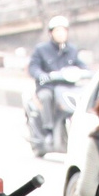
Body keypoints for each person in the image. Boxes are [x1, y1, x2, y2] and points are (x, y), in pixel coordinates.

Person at [28, 15, 84, 154]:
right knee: (46, 97)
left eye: (63, 30)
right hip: (48, 87)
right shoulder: (41, 49)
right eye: (57, 31)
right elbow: (33, 67)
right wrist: (41, 75)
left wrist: (88, 72)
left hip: (67, 87)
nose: (60, 34)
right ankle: (48, 130)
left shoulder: (72, 50)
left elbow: (82, 65)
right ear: (51, 33)